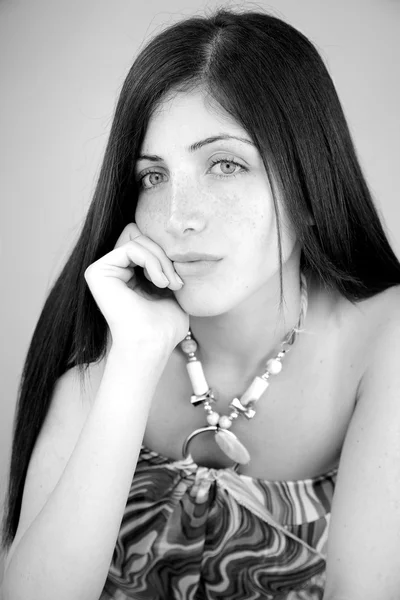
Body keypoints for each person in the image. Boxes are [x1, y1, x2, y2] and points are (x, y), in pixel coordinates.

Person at [2, 6, 400, 600]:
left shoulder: (384, 339)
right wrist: (135, 355)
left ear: (310, 179)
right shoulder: (104, 353)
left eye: (225, 164)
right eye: (153, 177)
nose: (178, 218)